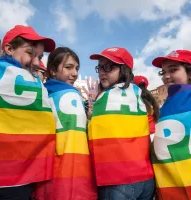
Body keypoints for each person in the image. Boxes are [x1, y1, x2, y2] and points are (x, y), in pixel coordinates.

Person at [0, 25, 56, 200]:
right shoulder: (37, 85)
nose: (36, 62)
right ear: (9, 48)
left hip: (20, 183)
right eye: (30, 53)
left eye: (40, 57)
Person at [88, 47, 155, 200]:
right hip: (146, 178)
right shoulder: (138, 95)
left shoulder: (105, 97)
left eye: (108, 66)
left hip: (117, 180)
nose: (101, 72)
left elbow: (92, 137)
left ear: (123, 69)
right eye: (100, 67)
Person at [35, 47, 97, 200]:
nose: (75, 73)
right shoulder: (70, 94)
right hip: (73, 171)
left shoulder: (40, 94)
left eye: (76, 68)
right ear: (53, 70)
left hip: (49, 172)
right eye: (68, 67)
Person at [151, 50, 191, 200]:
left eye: (173, 70)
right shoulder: (167, 104)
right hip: (168, 186)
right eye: (163, 72)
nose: (166, 76)